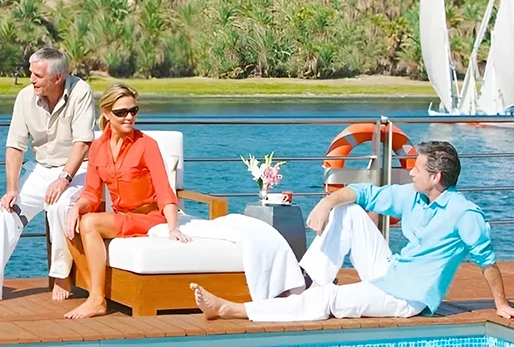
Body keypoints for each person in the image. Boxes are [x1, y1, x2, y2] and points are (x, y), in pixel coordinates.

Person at [191, 141, 514, 322]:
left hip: (407, 297)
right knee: (349, 210)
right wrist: (327, 203)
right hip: (390, 272)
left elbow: (487, 263)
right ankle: (303, 285)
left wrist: (500, 304)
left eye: (417, 168)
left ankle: (232, 309)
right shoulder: (413, 196)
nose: (411, 172)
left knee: (328, 300)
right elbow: (363, 193)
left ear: (436, 177)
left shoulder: (464, 214)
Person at [0, 47, 95, 304]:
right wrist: (12, 189)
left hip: (79, 169)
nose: (31, 78)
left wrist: (64, 178)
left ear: (57, 78)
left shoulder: (81, 91)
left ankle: (60, 275)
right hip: (41, 168)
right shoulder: (24, 97)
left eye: (37, 75)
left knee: (60, 204)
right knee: (6, 212)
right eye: (30, 73)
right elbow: (15, 146)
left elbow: (84, 142)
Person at [62, 83, 192, 319]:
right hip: (122, 217)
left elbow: (164, 190)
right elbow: (91, 192)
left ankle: (96, 300)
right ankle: (96, 295)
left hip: (149, 218)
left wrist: (173, 228)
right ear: (107, 114)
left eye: (134, 110)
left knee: (89, 224)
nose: (129, 117)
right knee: (71, 222)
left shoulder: (146, 145)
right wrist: (75, 208)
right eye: (122, 112)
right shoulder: (98, 147)